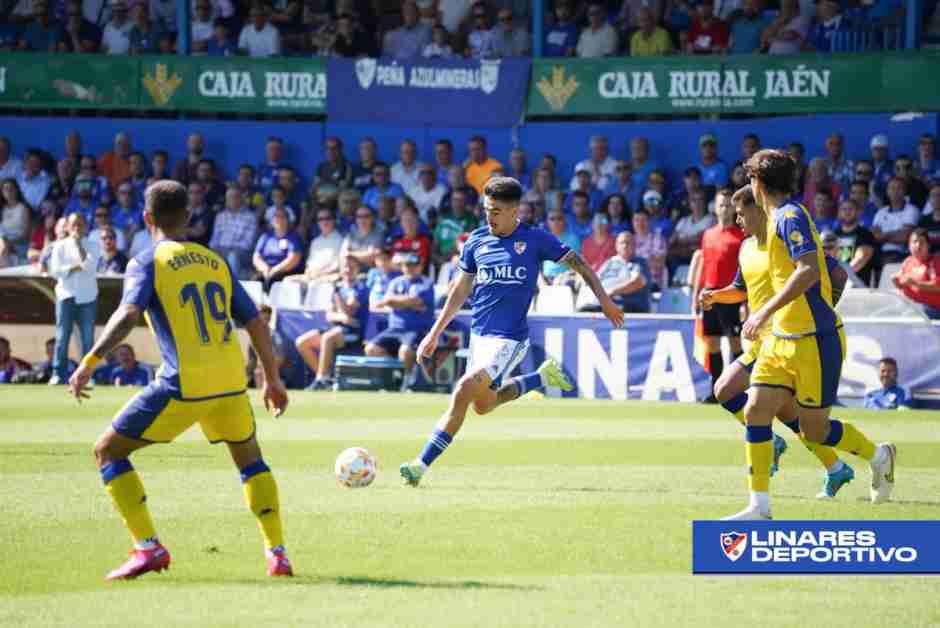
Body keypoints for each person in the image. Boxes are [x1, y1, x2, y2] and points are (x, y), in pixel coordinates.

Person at [67, 180, 292, 580]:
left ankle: (147, 548)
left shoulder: (147, 261)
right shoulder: (215, 261)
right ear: (188, 217)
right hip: (229, 383)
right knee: (250, 460)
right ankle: (277, 554)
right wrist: (270, 378)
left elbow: (129, 313)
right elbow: (256, 320)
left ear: (146, 218)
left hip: (183, 383)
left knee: (108, 451)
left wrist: (90, 358)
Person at [398, 177, 623, 487]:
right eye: (487, 209)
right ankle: (540, 378)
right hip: (480, 337)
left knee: (463, 389)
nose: (490, 217)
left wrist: (605, 301)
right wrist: (434, 332)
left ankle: (419, 466)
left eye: (497, 211)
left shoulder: (535, 239)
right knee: (483, 405)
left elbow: (580, 264)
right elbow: (460, 289)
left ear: (515, 210)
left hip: (509, 340)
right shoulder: (476, 241)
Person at [724, 149, 895, 520]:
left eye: (751, 178)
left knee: (814, 431)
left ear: (760, 182)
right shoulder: (769, 223)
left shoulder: (790, 216)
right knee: (755, 410)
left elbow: (809, 272)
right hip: (780, 341)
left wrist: (769, 311)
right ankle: (759, 507)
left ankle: (878, 456)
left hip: (814, 341)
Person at [700, 185, 853, 499]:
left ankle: (854, 461)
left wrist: (823, 309)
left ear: (759, 209)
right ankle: (834, 467)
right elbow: (741, 288)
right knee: (728, 391)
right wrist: (716, 296)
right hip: (764, 338)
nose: (735, 217)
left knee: (798, 419)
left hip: (788, 337)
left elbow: (834, 273)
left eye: (741, 212)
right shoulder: (746, 248)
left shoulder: (783, 236)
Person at [690, 187, 744, 400]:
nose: (725, 208)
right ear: (715, 207)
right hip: (710, 294)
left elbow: (745, 268)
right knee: (712, 342)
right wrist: (696, 294)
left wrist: (745, 300)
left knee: (735, 342)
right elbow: (704, 264)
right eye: (721, 204)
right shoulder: (708, 234)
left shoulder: (741, 236)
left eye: (728, 204)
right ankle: (716, 389)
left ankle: (737, 387)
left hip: (731, 293)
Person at [294, 257, 369, 390]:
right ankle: (324, 378)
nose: (347, 270)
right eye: (345, 267)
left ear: (357, 270)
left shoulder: (361, 288)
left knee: (327, 338)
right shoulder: (339, 287)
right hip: (335, 327)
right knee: (302, 342)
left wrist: (337, 298)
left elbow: (349, 312)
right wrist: (341, 316)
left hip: (354, 331)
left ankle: (321, 379)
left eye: (351, 267)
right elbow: (329, 315)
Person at [364, 252, 433, 380]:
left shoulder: (426, 282)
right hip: (394, 329)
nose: (410, 268)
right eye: (407, 265)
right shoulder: (396, 282)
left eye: (413, 265)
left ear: (420, 267)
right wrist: (408, 303)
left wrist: (396, 302)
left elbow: (417, 301)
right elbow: (387, 300)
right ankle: (395, 373)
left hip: (415, 330)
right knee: (371, 348)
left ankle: (406, 379)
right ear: (402, 267)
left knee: (405, 351)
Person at [49, 212, 99, 385]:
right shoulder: (59, 246)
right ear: (68, 227)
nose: (77, 227)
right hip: (66, 295)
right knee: (62, 337)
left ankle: (88, 376)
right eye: (73, 224)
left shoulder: (92, 244)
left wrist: (78, 246)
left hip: (88, 297)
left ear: (85, 226)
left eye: (80, 224)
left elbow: (91, 268)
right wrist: (75, 267)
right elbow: (55, 271)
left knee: (87, 339)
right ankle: (57, 374)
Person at [588, 231, 651, 313]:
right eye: (622, 243)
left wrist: (612, 292)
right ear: (616, 246)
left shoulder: (639, 262)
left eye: (628, 243)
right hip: (603, 306)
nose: (625, 246)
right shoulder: (610, 263)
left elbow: (638, 282)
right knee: (584, 311)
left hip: (629, 307)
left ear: (634, 246)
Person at [209, 187, 257, 279]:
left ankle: (234, 289)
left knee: (232, 257)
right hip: (221, 251)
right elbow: (214, 240)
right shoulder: (220, 216)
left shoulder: (250, 217)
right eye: (229, 197)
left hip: (240, 253)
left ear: (241, 198)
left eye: (235, 197)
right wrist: (214, 250)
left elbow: (248, 243)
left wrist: (229, 250)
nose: (232, 200)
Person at [893, 228, 940, 319]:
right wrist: (896, 282)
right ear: (909, 246)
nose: (918, 245)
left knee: (909, 314)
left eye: (922, 242)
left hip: (933, 309)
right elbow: (902, 287)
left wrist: (915, 283)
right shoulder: (907, 262)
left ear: (928, 246)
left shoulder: (936, 261)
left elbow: (938, 286)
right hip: (912, 307)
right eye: (914, 242)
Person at [252, 207, 303, 291]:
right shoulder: (265, 236)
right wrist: (265, 269)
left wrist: (275, 270)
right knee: (255, 280)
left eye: (282, 216)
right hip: (266, 270)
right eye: (276, 216)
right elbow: (256, 257)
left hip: (284, 271)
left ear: (287, 220)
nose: (278, 219)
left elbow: (294, 259)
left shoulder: (293, 237)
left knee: (273, 281)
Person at [873, 177, 920, 264]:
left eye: (899, 188)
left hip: (903, 255)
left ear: (905, 191)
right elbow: (874, 237)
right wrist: (895, 234)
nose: (895, 191)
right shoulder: (881, 212)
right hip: (881, 254)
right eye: (892, 188)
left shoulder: (912, 210)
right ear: (887, 191)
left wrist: (883, 236)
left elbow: (904, 237)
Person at [833, 199, 876, 286]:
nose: (847, 212)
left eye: (850, 209)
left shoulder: (866, 234)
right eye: (844, 209)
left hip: (857, 283)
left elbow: (861, 259)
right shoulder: (834, 234)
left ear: (858, 212)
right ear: (839, 213)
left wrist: (841, 275)